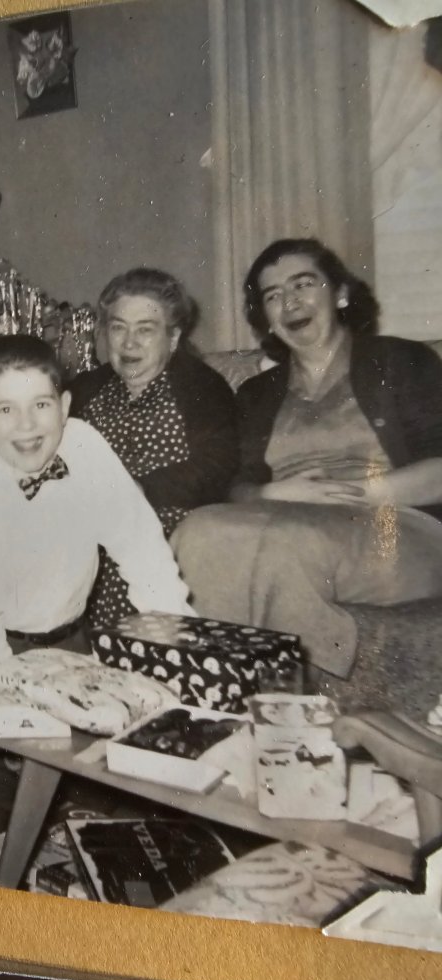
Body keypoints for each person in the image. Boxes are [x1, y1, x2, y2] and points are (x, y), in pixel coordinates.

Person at [169, 238, 442, 699]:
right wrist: (273, 494)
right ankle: (212, 699)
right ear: (266, 317)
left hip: (397, 521)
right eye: (273, 295)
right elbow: (234, 485)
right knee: (196, 531)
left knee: (287, 545)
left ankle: (302, 700)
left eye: (303, 284)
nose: (290, 302)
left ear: (340, 294)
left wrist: (353, 492)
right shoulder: (258, 392)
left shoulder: (400, 361)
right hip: (289, 517)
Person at [0, 334, 194, 685]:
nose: (26, 425)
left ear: (64, 407)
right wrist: (8, 697)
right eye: (6, 409)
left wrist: (179, 647)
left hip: (77, 641)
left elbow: (142, 549)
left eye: (41, 404)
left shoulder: (84, 445)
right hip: (5, 652)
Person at [70, 267, 238, 626]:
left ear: (173, 338)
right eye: (118, 327)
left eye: (145, 330)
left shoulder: (201, 389)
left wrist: (139, 490)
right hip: (92, 531)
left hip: (170, 532)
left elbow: (217, 465)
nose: (129, 343)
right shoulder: (86, 390)